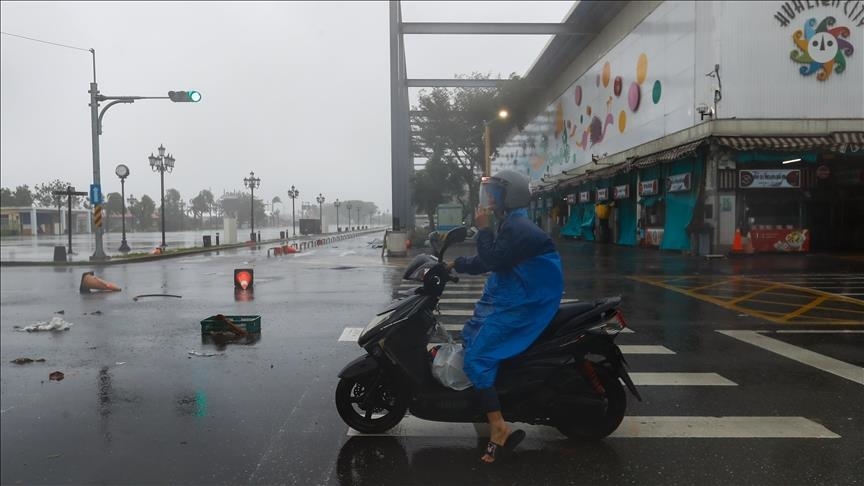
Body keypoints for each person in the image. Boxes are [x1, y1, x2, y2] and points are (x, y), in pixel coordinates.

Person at [447, 170, 564, 464]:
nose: (488, 199)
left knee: (477, 357)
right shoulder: (511, 224)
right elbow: (493, 260)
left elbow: (492, 259)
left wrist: (483, 230)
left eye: (494, 193)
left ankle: (499, 427)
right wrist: (455, 265)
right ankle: (494, 402)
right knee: (471, 338)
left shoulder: (518, 227)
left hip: (528, 302)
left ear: (510, 196)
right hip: (518, 294)